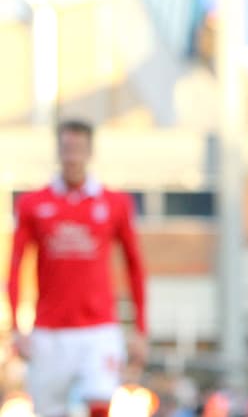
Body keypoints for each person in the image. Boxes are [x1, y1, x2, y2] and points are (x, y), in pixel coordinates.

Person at [7, 119, 148, 417]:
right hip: (49, 332)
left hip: (99, 328)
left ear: (89, 151)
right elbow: (16, 265)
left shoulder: (114, 203)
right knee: (49, 411)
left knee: (100, 401)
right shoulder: (33, 203)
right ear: (58, 151)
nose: (72, 156)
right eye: (67, 148)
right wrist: (17, 329)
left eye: (79, 148)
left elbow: (135, 265)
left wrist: (140, 328)